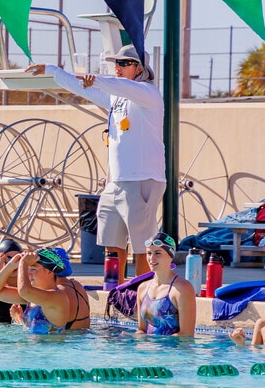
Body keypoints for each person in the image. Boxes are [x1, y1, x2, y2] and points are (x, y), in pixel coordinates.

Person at [26, 44, 165, 280]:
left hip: (142, 179)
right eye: (116, 64)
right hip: (115, 183)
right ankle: (115, 293)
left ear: (139, 68)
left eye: (123, 64)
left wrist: (98, 79)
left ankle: (143, 295)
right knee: (111, 244)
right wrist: (52, 70)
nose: (117, 68)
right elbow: (82, 87)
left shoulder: (148, 93)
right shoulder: (116, 98)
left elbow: (118, 85)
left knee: (143, 248)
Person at [0, 247, 90, 334]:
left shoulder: (58, 297)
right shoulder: (34, 296)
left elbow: (24, 290)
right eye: (28, 269)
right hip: (33, 355)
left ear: (49, 272)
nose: (29, 274)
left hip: (48, 357)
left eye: (33, 269)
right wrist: (10, 266)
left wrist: (23, 263)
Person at [136, 232, 196, 336]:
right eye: (149, 253)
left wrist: (158, 346)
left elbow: (186, 335)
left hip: (172, 350)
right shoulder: (142, 288)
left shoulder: (182, 289)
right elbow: (142, 330)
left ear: (170, 255)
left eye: (158, 253)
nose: (152, 258)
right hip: (148, 350)